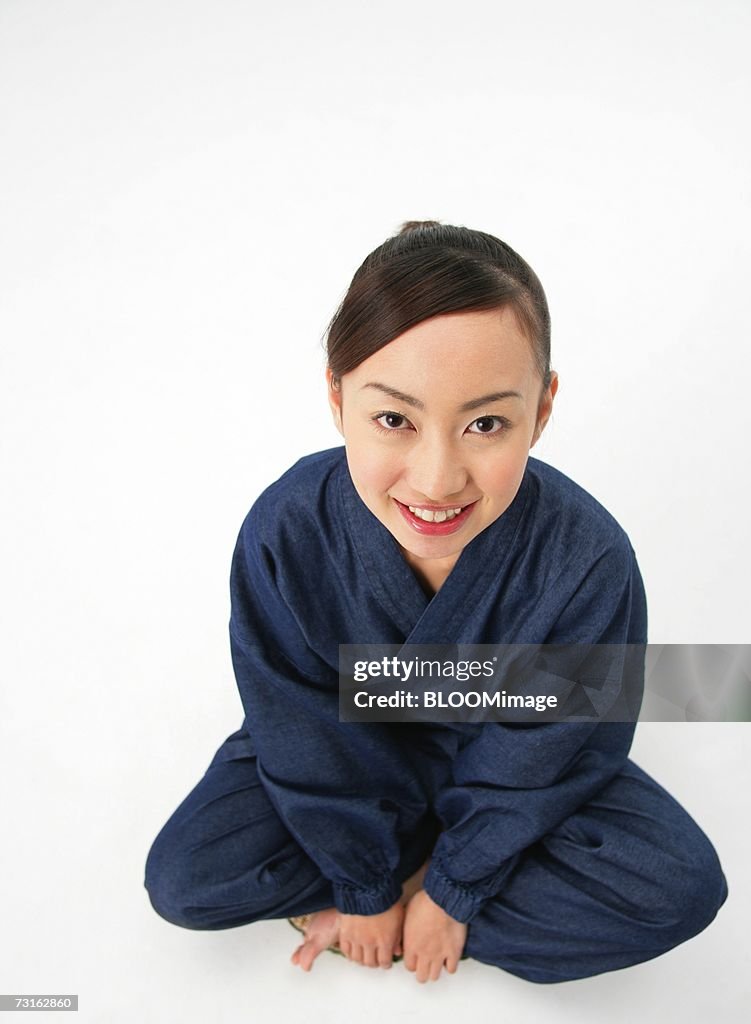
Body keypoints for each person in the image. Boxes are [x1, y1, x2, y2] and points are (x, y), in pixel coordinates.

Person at [143, 220, 728, 985]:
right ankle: (390, 890)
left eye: (485, 423)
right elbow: (295, 717)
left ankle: (414, 901)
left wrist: (448, 891)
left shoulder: (586, 559)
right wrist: (361, 881)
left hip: (513, 756)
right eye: (394, 419)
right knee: (188, 877)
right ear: (336, 395)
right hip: (344, 747)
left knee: (674, 889)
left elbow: (555, 748)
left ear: (541, 410)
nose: (435, 478)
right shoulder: (286, 529)